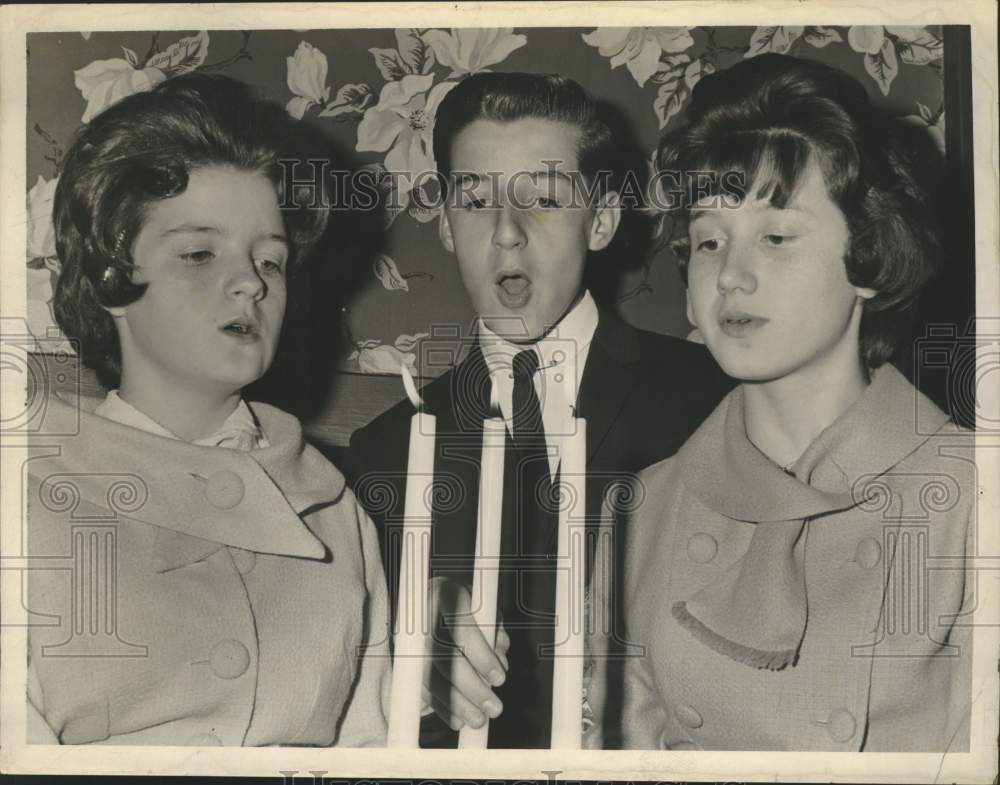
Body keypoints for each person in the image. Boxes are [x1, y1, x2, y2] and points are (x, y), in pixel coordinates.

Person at [345, 72, 732, 748]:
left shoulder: (713, 399)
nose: (507, 232)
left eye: (545, 198)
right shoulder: (386, 452)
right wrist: (407, 664)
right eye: (475, 200)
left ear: (603, 220)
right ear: (445, 224)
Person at [609, 53, 975, 751]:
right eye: (709, 239)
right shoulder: (641, 510)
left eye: (776, 237)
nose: (731, 277)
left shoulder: (973, 498)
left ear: (868, 255)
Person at [26, 73, 390, 746]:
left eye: (271, 262)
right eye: (200, 252)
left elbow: (370, 749)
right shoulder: (20, 499)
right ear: (111, 279)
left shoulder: (336, 513)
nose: (251, 281)